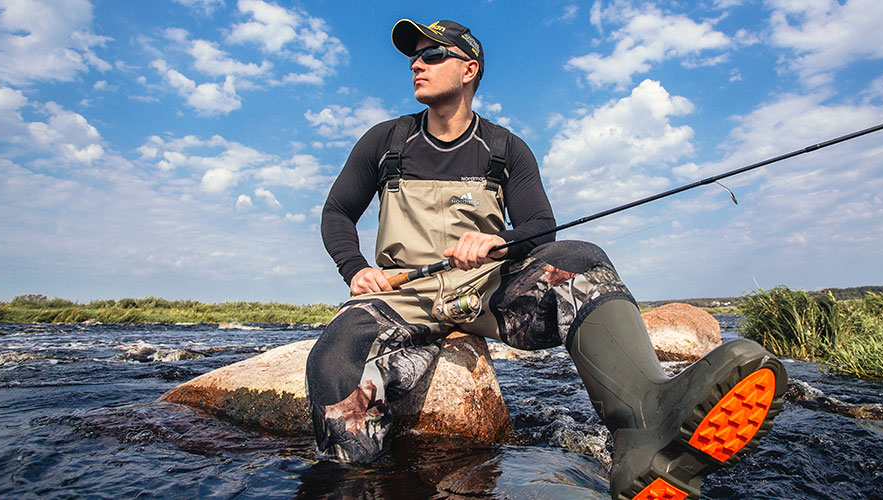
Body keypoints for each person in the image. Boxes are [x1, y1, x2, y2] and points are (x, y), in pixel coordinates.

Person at [309, 18, 787, 500]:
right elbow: (337, 212)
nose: (417, 64)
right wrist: (356, 268)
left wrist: (499, 244)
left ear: (469, 68)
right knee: (333, 359)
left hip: (484, 293)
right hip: (401, 297)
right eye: (415, 56)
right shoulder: (385, 141)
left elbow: (542, 227)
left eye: (433, 55)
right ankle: (361, 485)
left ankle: (645, 424)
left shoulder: (505, 149)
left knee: (581, 258)